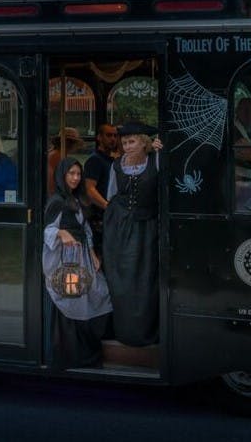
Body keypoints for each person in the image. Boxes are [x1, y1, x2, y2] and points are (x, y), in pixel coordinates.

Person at [43, 157, 112, 369]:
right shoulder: (57, 202)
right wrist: (62, 233)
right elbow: (47, 230)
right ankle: (73, 354)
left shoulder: (77, 199)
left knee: (98, 293)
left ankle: (88, 349)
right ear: (62, 176)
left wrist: (92, 253)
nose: (75, 178)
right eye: (71, 174)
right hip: (67, 261)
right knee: (72, 300)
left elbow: (85, 229)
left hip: (82, 257)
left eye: (78, 174)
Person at [102, 120, 163, 347]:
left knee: (145, 277)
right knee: (121, 278)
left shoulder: (156, 161)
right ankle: (120, 329)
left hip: (147, 228)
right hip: (119, 228)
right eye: (125, 142)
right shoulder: (117, 165)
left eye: (132, 141)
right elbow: (112, 196)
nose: (127, 146)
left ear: (144, 142)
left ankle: (145, 331)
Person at [81, 123, 120, 254]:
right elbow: (90, 189)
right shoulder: (95, 160)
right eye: (109, 135)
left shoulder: (111, 160)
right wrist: (107, 206)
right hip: (99, 216)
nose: (113, 139)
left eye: (115, 135)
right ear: (99, 137)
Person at [46, 127, 85, 195]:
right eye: (72, 142)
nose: (73, 145)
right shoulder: (57, 155)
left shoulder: (59, 154)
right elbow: (53, 180)